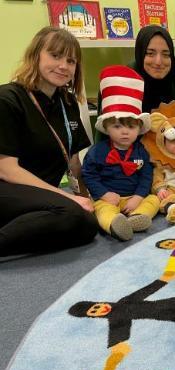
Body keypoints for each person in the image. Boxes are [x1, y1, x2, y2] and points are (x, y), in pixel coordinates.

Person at [0, 27, 97, 256]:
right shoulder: (7, 99)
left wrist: (90, 198)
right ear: (36, 55)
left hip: (41, 197)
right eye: (55, 56)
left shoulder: (68, 102)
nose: (63, 65)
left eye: (71, 61)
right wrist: (66, 197)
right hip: (6, 187)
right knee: (70, 213)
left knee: (88, 224)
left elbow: (73, 163)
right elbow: (6, 170)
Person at [82, 65, 160, 241]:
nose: (125, 132)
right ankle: (114, 224)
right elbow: (89, 175)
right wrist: (104, 194)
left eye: (131, 127)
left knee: (153, 200)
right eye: (117, 126)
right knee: (102, 210)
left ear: (139, 128)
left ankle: (137, 218)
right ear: (107, 128)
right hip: (109, 198)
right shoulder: (97, 151)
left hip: (134, 197)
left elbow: (146, 177)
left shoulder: (141, 151)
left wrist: (138, 198)